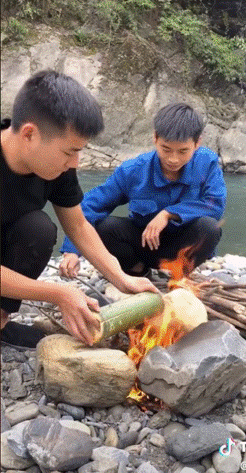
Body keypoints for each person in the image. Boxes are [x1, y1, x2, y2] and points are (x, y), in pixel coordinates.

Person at [1, 70, 158, 349]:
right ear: (29, 134)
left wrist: (121, 278)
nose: (75, 163)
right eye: (69, 152)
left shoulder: (58, 167)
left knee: (38, 229)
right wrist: (59, 293)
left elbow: (78, 226)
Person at [59, 103, 226, 285]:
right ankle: (138, 270)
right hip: (143, 247)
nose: (173, 159)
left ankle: (179, 275)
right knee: (105, 226)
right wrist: (72, 250)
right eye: (166, 149)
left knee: (210, 227)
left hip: (182, 246)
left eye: (183, 151)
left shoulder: (207, 162)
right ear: (155, 138)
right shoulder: (133, 170)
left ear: (197, 143)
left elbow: (215, 204)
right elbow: (92, 205)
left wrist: (168, 214)